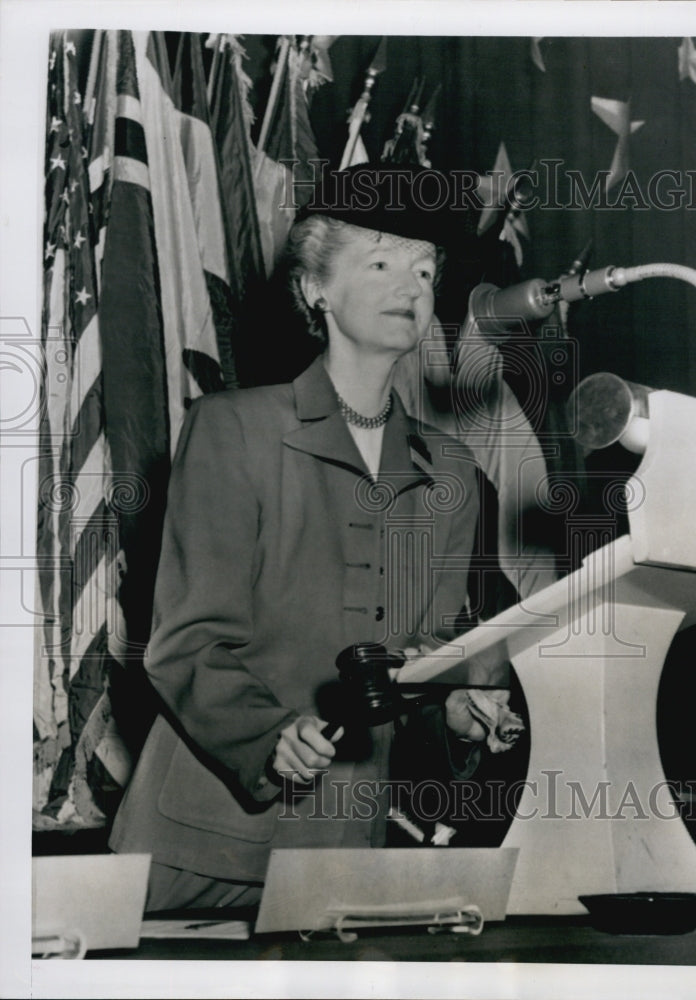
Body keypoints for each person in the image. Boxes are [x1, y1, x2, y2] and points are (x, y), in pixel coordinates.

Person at [109, 164, 503, 911]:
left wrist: (454, 707)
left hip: (347, 851)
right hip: (202, 845)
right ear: (313, 289)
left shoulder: (449, 469)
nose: (411, 286)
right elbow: (185, 643)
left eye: (424, 270)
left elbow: (425, 653)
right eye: (380, 262)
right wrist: (268, 738)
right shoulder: (233, 428)